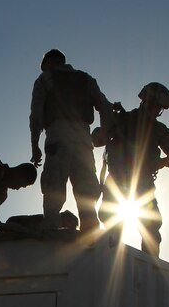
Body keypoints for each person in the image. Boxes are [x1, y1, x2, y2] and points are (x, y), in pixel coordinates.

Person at [94, 82, 169, 257]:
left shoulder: (159, 130)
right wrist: (107, 126)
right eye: (153, 105)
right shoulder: (122, 119)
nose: (155, 110)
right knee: (113, 224)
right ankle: (109, 260)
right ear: (144, 102)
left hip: (142, 183)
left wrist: (167, 161)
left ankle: (151, 267)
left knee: (151, 228)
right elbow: (96, 140)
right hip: (118, 180)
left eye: (158, 108)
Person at [29, 49, 113, 233]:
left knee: (54, 185)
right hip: (83, 138)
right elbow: (105, 107)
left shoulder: (45, 79)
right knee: (86, 191)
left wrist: (34, 145)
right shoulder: (86, 79)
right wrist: (104, 133)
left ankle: (50, 228)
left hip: (58, 134)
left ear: (49, 63)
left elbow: (36, 115)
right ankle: (90, 232)